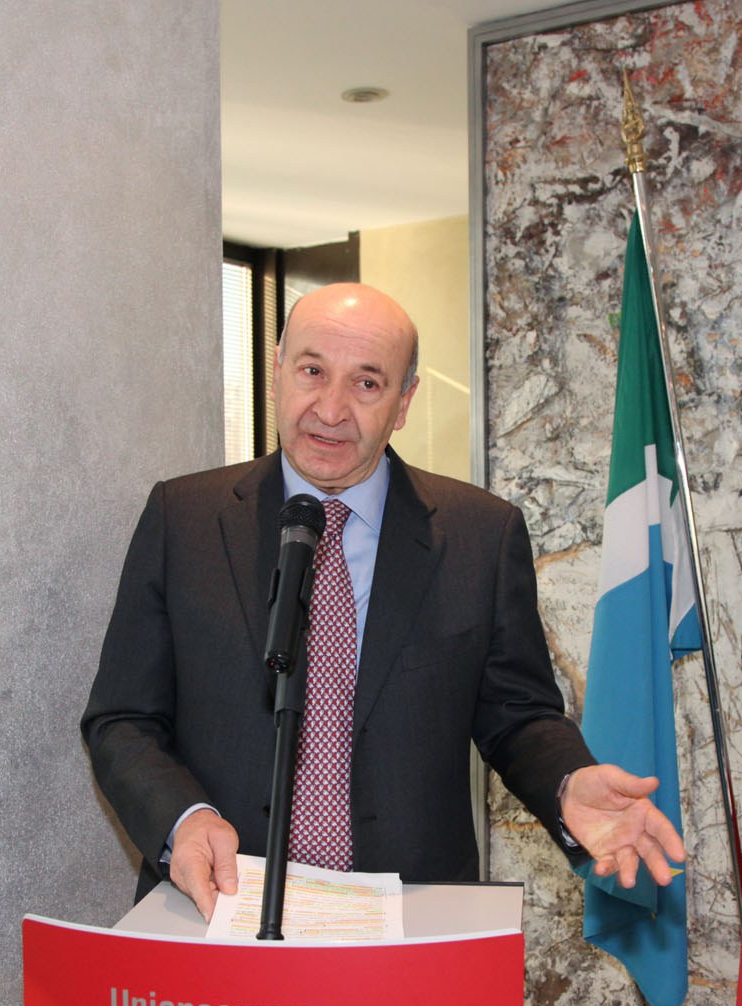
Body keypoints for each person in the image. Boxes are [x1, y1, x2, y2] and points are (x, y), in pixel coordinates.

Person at [83, 282, 683, 919]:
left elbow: (517, 715)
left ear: (404, 402)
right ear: (277, 372)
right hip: (220, 906)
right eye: (312, 371)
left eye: (367, 383)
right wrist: (185, 819)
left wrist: (567, 782)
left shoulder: (481, 535)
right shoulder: (183, 519)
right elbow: (122, 719)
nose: (331, 409)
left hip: (407, 917)